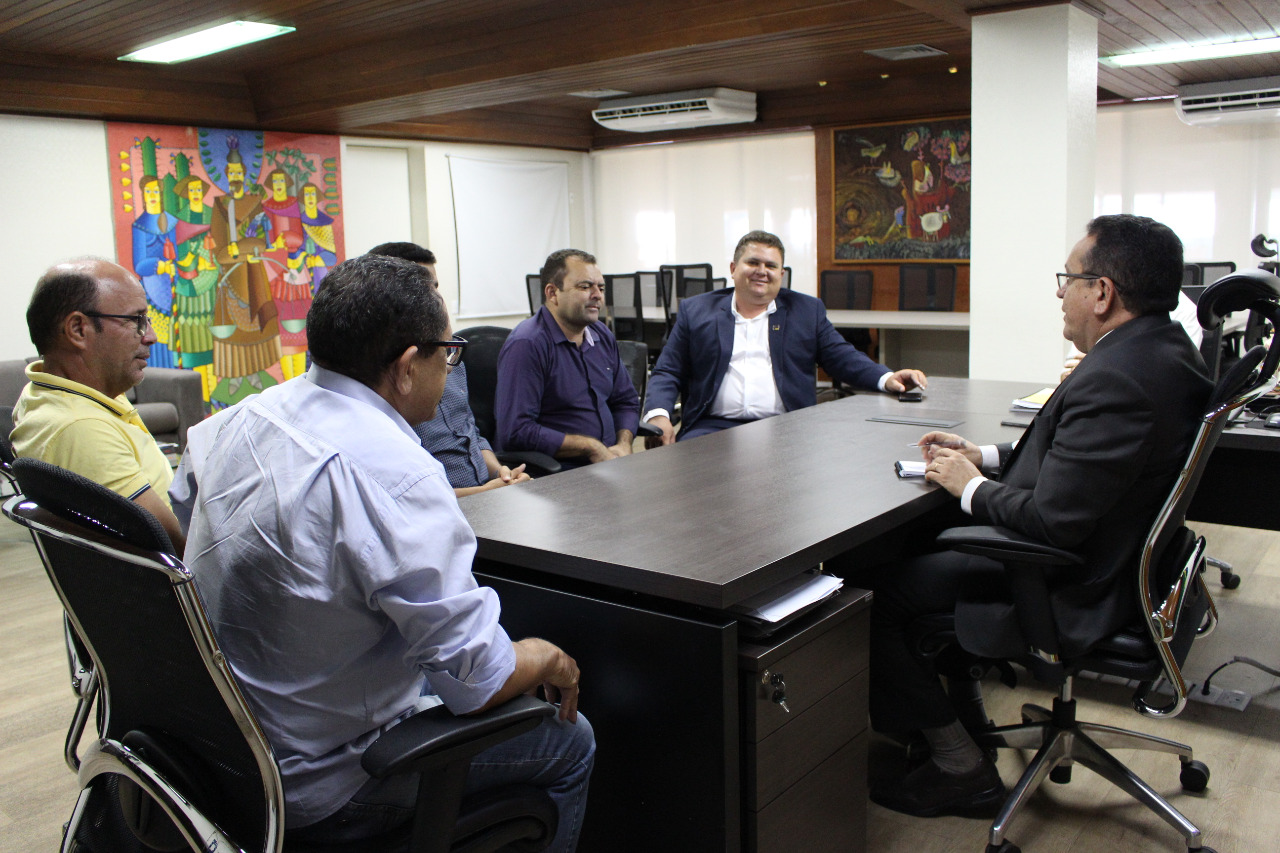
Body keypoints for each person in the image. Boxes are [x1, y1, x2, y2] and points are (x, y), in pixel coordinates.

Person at [183, 255, 593, 848]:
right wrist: (550, 657)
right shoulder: (397, 474)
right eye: (447, 354)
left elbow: (181, 523)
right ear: (406, 367)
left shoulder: (238, 419)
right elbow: (475, 680)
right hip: (325, 785)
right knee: (572, 742)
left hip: (226, 750)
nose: (451, 371)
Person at [865, 214, 1214, 818]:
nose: (1060, 292)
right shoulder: (1164, 351)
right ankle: (966, 720)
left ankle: (962, 770)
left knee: (878, 592)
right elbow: (1087, 460)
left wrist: (969, 486)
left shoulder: (1119, 376)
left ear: (1102, 293)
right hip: (1120, 558)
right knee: (915, 546)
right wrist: (987, 457)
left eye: (1068, 278)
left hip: (1071, 581)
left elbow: (1054, 521)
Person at [642, 230, 927, 443]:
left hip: (786, 427)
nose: (761, 272)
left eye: (771, 266)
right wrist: (658, 414)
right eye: (753, 262)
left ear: (781, 273)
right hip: (712, 426)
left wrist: (886, 377)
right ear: (733, 269)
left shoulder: (806, 310)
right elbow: (668, 370)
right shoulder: (697, 310)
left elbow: (842, 356)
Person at [11, 258, 187, 553]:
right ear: (78, 329)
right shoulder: (80, 428)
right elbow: (181, 549)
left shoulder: (50, 391)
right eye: (136, 320)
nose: (151, 336)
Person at [368, 241, 531, 496]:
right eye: (424, 289)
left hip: (487, 493)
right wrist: (487, 494)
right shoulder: (383, 380)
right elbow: (405, 494)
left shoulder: (451, 355)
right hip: (446, 507)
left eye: (435, 288)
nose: (436, 299)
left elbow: (471, 433)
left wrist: (501, 473)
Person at [495, 249, 639, 468]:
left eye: (600, 288)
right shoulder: (527, 344)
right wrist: (590, 447)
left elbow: (626, 402)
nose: (597, 295)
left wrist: (624, 443)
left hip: (610, 463)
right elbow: (516, 431)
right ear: (553, 293)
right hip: (560, 473)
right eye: (585, 287)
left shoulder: (602, 335)